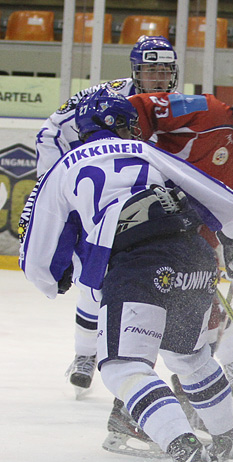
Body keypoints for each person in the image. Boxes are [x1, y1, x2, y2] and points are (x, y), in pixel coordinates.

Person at [19, 88, 233, 462]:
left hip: (139, 263)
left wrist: (49, 279)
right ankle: (232, 445)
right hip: (195, 258)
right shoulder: (150, 154)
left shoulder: (62, 167)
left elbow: (37, 249)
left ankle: (188, 455)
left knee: (121, 367)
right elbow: (224, 201)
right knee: (190, 356)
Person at [127, 71, 233, 400]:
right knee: (145, 321)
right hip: (144, 228)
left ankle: (178, 399)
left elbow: (226, 225)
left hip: (188, 248)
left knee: (197, 322)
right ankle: (137, 404)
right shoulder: (205, 112)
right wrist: (131, 155)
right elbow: (139, 108)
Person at [34, 36, 180, 398]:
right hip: (98, 194)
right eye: (150, 70)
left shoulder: (180, 107)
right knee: (94, 276)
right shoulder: (108, 96)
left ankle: (221, 356)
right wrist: (58, 180)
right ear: (135, 71)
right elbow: (52, 131)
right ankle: (85, 355)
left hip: (146, 198)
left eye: (165, 70)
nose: (158, 78)